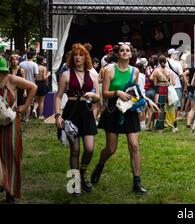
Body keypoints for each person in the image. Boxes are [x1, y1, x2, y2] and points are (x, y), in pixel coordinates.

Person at [91, 42, 148, 194]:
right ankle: (100, 165)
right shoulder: (109, 70)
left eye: (127, 51)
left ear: (131, 54)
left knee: (134, 146)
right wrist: (117, 92)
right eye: (122, 50)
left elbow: (134, 90)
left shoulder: (135, 71)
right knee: (111, 148)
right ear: (117, 54)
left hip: (129, 111)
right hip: (112, 111)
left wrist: (140, 101)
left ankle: (137, 183)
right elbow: (105, 93)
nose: (124, 52)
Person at [54, 43, 100, 194]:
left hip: (86, 113)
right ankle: (75, 182)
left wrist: (92, 96)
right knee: (75, 150)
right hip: (71, 112)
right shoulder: (66, 74)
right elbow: (58, 96)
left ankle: (83, 172)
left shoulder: (93, 74)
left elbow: (98, 97)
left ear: (85, 57)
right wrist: (58, 115)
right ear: (71, 58)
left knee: (89, 149)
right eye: (75, 55)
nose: (77, 57)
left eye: (81, 55)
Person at [0, 56, 37, 203]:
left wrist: (25, 106)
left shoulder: (11, 79)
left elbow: (33, 87)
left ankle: (11, 193)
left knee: (11, 157)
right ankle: (3, 182)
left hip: (10, 124)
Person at [150, 55, 176, 132]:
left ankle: (159, 126)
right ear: (166, 61)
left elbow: (154, 83)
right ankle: (170, 124)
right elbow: (173, 83)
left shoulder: (156, 71)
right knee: (168, 107)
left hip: (159, 89)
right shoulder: (170, 71)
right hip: (167, 90)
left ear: (158, 61)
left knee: (159, 107)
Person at [19, 50, 39, 120]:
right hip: (31, 85)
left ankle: (23, 117)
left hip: (22, 84)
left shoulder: (21, 63)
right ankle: (27, 118)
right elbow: (36, 75)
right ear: (33, 56)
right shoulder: (34, 64)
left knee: (23, 101)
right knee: (29, 102)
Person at [167, 48, 184, 120]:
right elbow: (181, 74)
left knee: (169, 103)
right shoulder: (177, 63)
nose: (176, 55)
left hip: (167, 86)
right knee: (176, 103)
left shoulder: (165, 63)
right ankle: (174, 119)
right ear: (172, 55)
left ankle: (168, 119)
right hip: (176, 85)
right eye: (175, 54)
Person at [34, 55, 50, 120]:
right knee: (41, 102)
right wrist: (48, 74)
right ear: (42, 60)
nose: (44, 61)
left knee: (36, 100)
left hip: (35, 83)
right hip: (42, 84)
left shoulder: (35, 67)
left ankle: (34, 110)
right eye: (44, 60)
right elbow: (44, 78)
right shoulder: (43, 68)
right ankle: (40, 115)